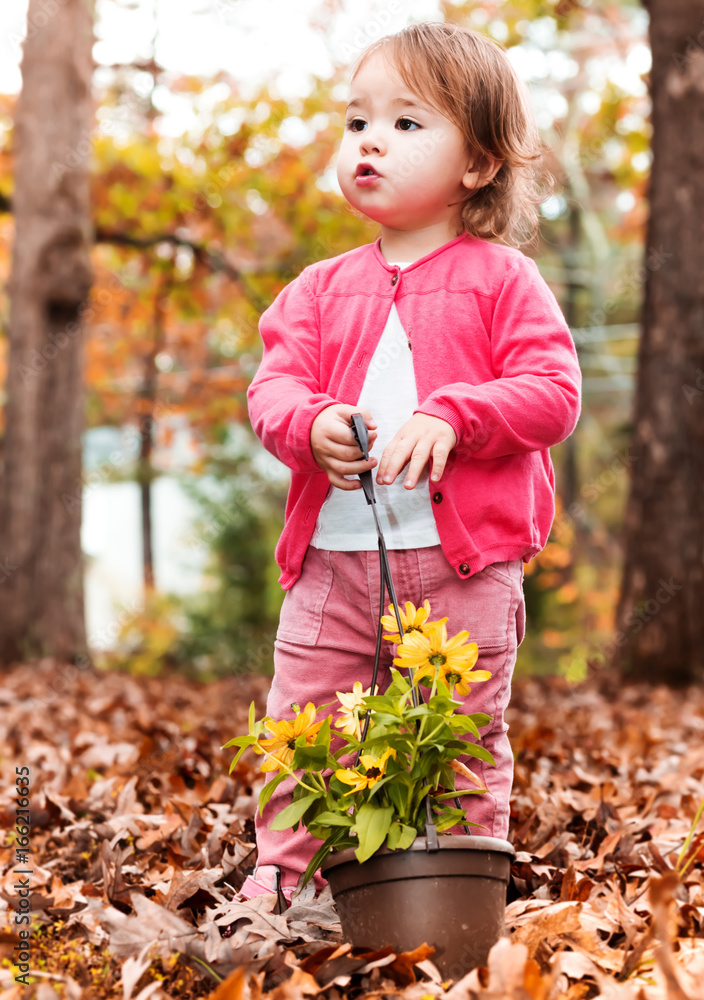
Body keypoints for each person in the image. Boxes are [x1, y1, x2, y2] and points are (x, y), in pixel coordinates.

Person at [239, 20, 582, 902]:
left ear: (478, 164)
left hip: (462, 568)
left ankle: (452, 890)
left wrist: (456, 415)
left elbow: (552, 393)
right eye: (357, 123)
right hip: (329, 568)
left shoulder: (505, 281)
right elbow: (270, 391)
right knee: (306, 726)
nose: (370, 142)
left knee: (455, 730)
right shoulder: (315, 290)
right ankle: (289, 886)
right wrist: (307, 423)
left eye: (406, 123)